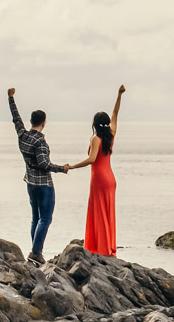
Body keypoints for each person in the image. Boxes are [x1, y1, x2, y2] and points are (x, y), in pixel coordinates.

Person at [7, 87, 66, 264]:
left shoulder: (23, 135)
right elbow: (44, 164)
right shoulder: (40, 141)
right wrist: (61, 168)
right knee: (45, 219)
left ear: (31, 121)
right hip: (44, 185)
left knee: (35, 217)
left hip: (30, 183)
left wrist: (10, 98)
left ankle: (35, 251)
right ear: (44, 123)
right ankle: (36, 252)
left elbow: (15, 118)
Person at [64, 84, 124, 256]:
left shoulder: (96, 139)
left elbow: (92, 159)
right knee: (108, 212)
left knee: (99, 212)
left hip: (99, 179)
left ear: (95, 125)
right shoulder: (111, 134)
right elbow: (115, 113)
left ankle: (101, 248)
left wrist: (73, 166)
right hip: (110, 179)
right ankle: (108, 247)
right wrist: (119, 94)